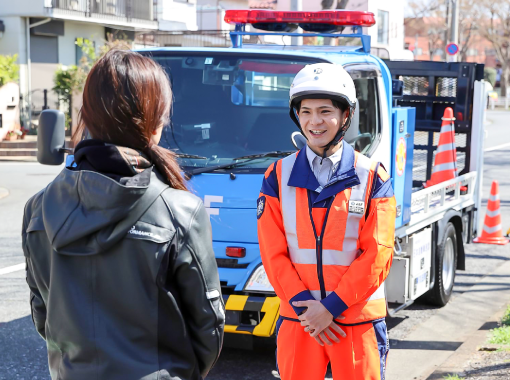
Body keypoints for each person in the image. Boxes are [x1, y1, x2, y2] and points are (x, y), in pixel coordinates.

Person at [22, 49, 225, 380]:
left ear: (85, 117)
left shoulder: (38, 208)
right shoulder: (180, 211)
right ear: (155, 123)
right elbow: (208, 326)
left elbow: (43, 315)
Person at [257, 63, 396, 380]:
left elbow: (378, 253)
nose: (314, 121)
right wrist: (311, 310)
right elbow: (272, 252)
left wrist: (330, 308)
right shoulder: (277, 176)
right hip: (300, 319)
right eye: (305, 112)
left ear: (345, 115)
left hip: (356, 319)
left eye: (325, 111)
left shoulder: (373, 176)